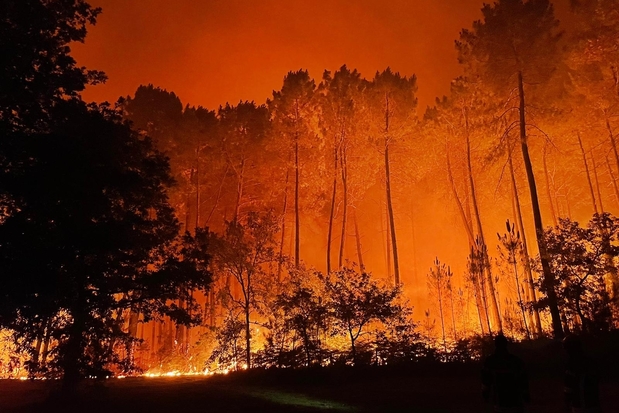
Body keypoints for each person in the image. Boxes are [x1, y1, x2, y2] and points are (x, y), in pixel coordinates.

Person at [482, 333, 530, 413]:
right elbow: (524, 380)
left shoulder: (490, 361)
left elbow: (485, 381)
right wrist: (526, 395)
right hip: (515, 400)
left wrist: (485, 395)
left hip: (500, 401)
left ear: (495, 345)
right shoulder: (516, 361)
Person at [563, 335, 601, 413]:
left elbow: (569, 387)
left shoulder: (571, 365)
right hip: (594, 404)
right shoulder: (590, 361)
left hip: (580, 405)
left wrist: (567, 402)